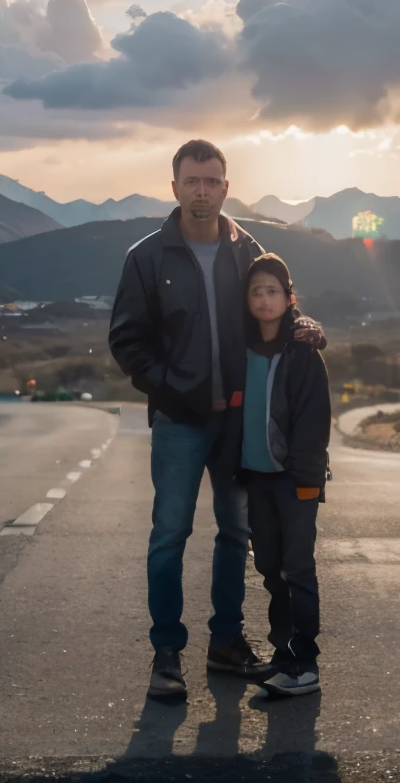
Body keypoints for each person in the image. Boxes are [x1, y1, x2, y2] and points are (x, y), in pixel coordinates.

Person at [109, 139, 324, 702]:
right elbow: (126, 339)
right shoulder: (147, 257)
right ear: (174, 186)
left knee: (235, 533)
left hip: (236, 421)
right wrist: (169, 388)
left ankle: (227, 643)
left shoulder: (245, 249)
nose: (201, 191)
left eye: (212, 181)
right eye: (191, 181)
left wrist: (306, 328)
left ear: (226, 187)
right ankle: (166, 654)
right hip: (179, 422)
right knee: (170, 534)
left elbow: (273, 301)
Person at [236, 253, 330, 698]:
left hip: (296, 480)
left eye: (273, 290)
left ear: (288, 297)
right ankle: (283, 655)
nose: (264, 298)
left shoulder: (303, 353)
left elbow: (314, 421)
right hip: (256, 477)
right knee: (271, 569)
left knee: (297, 569)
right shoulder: (241, 349)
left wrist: (306, 477)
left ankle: (304, 664)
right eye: (256, 291)